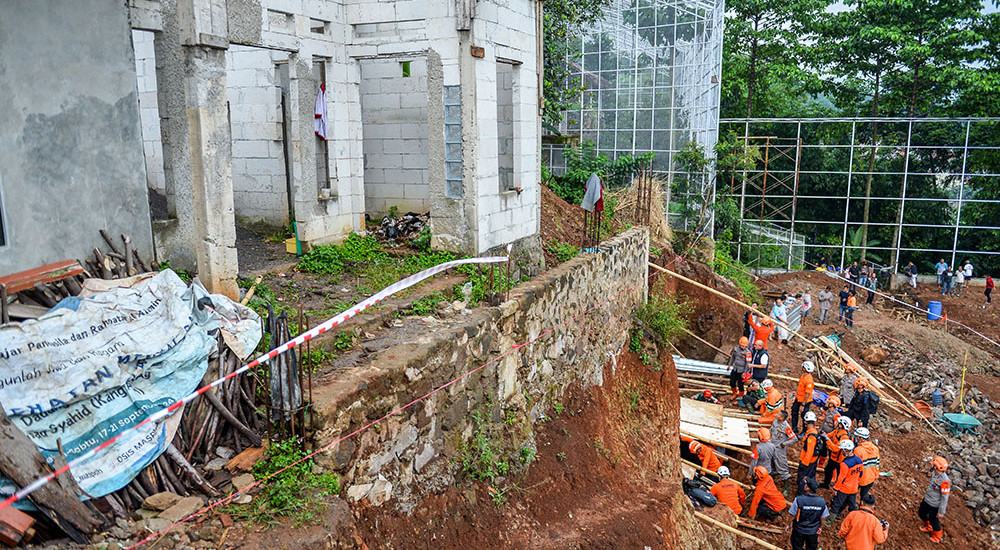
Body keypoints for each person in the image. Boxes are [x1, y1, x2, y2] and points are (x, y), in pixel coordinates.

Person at [789, 478, 829, 550]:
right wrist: (821, 527)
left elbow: (792, 514)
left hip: (799, 530)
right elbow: (823, 517)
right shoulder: (822, 502)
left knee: (797, 547)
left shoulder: (799, 500)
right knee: (811, 547)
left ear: (807, 488)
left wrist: (788, 524)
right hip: (813, 531)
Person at [828, 439, 863, 520]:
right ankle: (856, 520)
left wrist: (836, 488)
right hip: (854, 488)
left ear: (846, 450)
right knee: (852, 505)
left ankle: (829, 522)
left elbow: (841, 478)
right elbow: (860, 474)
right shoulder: (859, 460)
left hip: (844, 488)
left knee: (836, 504)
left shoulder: (845, 463)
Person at [918, 456, 950, 543]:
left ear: (937, 467)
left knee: (933, 519)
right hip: (927, 499)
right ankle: (928, 527)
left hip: (934, 505)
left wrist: (941, 511)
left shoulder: (945, 481)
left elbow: (945, 497)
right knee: (921, 513)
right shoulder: (934, 474)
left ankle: (937, 536)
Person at [770, 410, 798, 495]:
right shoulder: (775, 421)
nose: (776, 415)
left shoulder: (786, 427)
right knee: (771, 465)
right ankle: (773, 481)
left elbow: (794, 439)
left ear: (782, 418)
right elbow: (771, 430)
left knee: (782, 468)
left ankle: (786, 488)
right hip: (771, 447)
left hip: (779, 450)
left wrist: (784, 443)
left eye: (778, 414)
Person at [821, 416, 852, 489]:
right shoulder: (837, 430)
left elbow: (835, 448)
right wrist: (824, 435)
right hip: (833, 457)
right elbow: (830, 435)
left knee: (839, 475)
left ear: (842, 424)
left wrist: (827, 440)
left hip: (839, 460)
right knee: (828, 470)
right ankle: (826, 484)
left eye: (838, 422)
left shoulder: (844, 436)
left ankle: (839, 489)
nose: (836, 423)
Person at [853, 427, 880, 503]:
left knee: (850, 495)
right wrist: (876, 476)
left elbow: (855, 467)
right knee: (864, 498)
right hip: (870, 478)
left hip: (859, 479)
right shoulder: (875, 449)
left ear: (861, 438)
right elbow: (877, 464)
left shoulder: (858, 450)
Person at [797, 411, 821, 496]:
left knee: (803, 479)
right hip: (812, 461)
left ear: (805, 422)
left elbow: (809, 452)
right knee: (810, 477)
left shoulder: (811, 436)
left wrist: (804, 463)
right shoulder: (814, 432)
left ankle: (802, 494)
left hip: (808, 462)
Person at [792, 361, 816, 433]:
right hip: (799, 398)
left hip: (805, 401)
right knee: (794, 411)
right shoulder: (803, 376)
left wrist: (803, 404)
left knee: (804, 415)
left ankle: (804, 431)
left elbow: (807, 393)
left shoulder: (809, 380)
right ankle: (794, 427)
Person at [728, 336, 752, 402]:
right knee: (732, 382)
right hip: (735, 368)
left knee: (740, 385)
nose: (743, 347)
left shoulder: (748, 353)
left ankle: (740, 397)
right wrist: (730, 364)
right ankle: (734, 393)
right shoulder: (736, 349)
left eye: (744, 346)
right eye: (742, 345)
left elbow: (748, 363)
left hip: (742, 371)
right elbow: (733, 356)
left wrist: (744, 372)